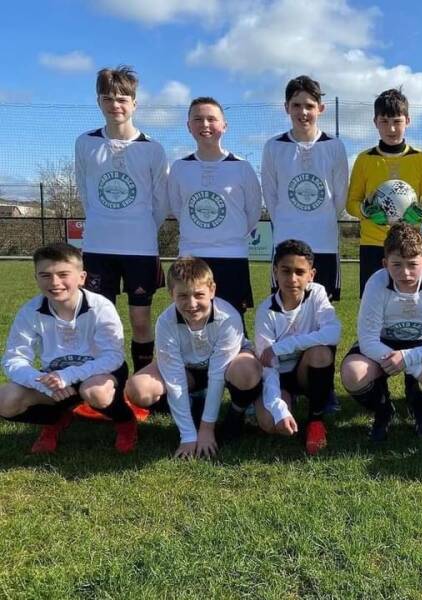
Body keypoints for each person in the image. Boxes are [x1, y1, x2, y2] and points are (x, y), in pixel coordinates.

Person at [74, 65, 169, 374]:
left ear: (134, 104)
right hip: (99, 247)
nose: (116, 104)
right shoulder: (85, 142)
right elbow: (85, 193)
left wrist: (138, 228)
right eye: (108, 98)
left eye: (122, 98)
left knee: (140, 320)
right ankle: (109, 382)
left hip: (140, 248)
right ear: (99, 102)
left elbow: (160, 201)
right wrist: (106, 222)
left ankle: (141, 384)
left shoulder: (152, 149)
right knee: (102, 320)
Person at [340, 223, 422, 440]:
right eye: (397, 265)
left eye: (413, 264)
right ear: (385, 264)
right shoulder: (375, 283)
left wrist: (409, 357)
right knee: (352, 374)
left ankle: (420, 405)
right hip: (384, 342)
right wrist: (417, 367)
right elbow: (368, 341)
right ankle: (384, 409)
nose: (405, 273)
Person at [0, 243, 137, 453]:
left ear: (82, 277)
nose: (55, 283)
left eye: (63, 274)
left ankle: (125, 421)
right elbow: (13, 359)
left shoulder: (101, 306)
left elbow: (113, 357)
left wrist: (68, 375)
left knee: (96, 393)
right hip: (55, 379)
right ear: (36, 277)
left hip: (99, 373)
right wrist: (41, 383)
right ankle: (56, 419)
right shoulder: (29, 311)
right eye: (45, 275)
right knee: (6, 400)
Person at [125, 258, 263, 458]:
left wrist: (207, 429)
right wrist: (188, 436)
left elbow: (217, 374)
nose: (191, 304)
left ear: (212, 290)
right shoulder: (165, 322)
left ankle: (236, 413)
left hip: (226, 369)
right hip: (188, 369)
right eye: (182, 296)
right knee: (138, 389)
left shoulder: (229, 317)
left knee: (246, 371)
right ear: (171, 294)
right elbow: (174, 378)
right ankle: (191, 405)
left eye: (199, 294)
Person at [168, 96, 262, 321]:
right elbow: (177, 208)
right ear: (188, 126)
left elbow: (253, 212)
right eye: (198, 119)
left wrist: (229, 237)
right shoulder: (180, 168)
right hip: (191, 256)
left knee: (232, 321)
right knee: (190, 320)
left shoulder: (242, 167)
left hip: (232, 256)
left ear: (224, 126)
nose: (205, 125)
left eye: (212, 119)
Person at [261, 75, 348, 301]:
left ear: (321, 108)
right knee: (285, 308)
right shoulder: (273, 147)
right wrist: (289, 220)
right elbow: (270, 195)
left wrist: (321, 218)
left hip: (324, 242)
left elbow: (340, 196)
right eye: (296, 105)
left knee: (323, 310)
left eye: (309, 106)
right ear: (286, 108)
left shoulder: (334, 146)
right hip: (286, 242)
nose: (303, 112)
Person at [253, 239, 342, 455]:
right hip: (278, 376)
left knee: (320, 352)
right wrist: (279, 408)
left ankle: (316, 420)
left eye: (300, 272)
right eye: (285, 271)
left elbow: (334, 332)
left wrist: (280, 347)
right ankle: (283, 400)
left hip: (305, 370)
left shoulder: (317, 294)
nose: (292, 279)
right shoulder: (266, 311)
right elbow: (268, 365)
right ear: (275, 272)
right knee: (270, 424)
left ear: (311, 274)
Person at [346, 88, 422, 296]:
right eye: (384, 121)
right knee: (373, 307)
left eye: (397, 121)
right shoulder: (364, 159)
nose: (391, 128)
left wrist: (421, 213)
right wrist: (366, 211)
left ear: (408, 121)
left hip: (409, 247)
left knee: (410, 307)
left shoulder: (420, 159)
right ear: (375, 122)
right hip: (372, 245)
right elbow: (351, 203)